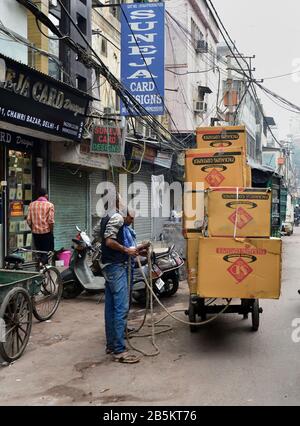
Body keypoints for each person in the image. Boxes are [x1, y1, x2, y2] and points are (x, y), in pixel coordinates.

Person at [100, 205, 147, 363]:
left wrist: (135, 250)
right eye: (131, 218)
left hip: (108, 267)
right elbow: (109, 241)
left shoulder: (104, 219)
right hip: (116, 267)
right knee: (121, 308)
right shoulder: (118, 218)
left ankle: (111, 345)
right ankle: (119, 350)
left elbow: (96, 237)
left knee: (111, 308)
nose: (131, 221)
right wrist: (126, 251)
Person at [26, 188, 55, 264]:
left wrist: (33, 229)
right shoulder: (50, 205)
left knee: (39, 252)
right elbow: (51, 221)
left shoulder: (31, 205)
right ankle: (44, 269)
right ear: (46, 195)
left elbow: (28, 220)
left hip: (36, 233)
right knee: (46, 252)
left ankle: (39, 268)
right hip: (46, 233)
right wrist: (51, 232)